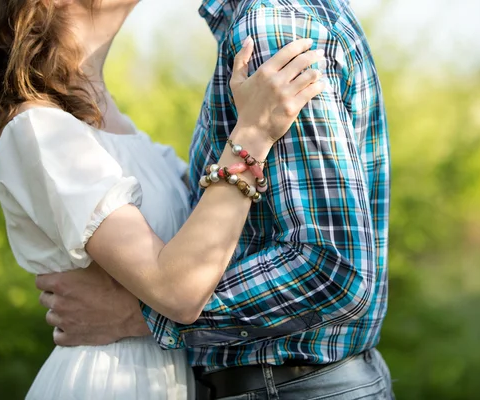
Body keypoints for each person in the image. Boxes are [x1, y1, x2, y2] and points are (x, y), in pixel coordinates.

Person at [0, 0, 326, 399]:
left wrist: (131, 314)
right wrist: (253, 132)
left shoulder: (125, 133)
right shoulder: (38, 131)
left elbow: (220, 252)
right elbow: (178, 291)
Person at [36, 0, 393, 399]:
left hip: (291, 385)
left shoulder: (272, 25)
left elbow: (330, 271)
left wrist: (140, 317)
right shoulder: (275, 19)